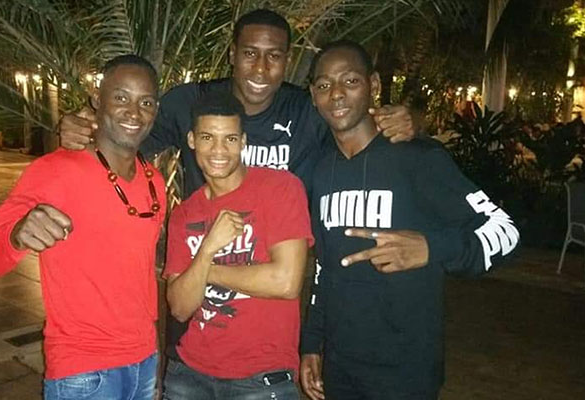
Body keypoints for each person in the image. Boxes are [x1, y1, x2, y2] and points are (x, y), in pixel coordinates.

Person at [58, 7, 416, 367]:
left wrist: (411, 120)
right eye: (249, 54)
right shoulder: (191, 103)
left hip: (274, 294)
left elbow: (358, 123)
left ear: (288, 60)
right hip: (201, 297)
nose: (260, 69)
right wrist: (78, 127)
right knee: (189, 369)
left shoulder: (307, 111)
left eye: (274, 56)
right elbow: (124, 135)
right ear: (232, 54)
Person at [299, 40, 520, 400]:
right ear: (313, 95)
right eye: (324, 85)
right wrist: (312, 343)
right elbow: (325, 267)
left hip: (407, 371)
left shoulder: (419, 159)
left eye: (350, 81)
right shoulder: (322, 170)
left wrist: (431, 248)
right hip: (341, 368)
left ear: (374, 86)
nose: (336, 94)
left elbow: (506, 233)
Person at [0, 54, 166, 400]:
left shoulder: (154, 181)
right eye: (120, 98)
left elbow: (142, 279)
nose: (134, 112)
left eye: (145, 102)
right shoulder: (55, 171)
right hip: (84, 372)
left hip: (144, 362)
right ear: (95, 101)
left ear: (156, 110)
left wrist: (155, 361)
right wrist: (15, 235)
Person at [161, 93, 313, 399]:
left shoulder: (281, 188)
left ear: (243, 141)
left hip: (260, 378)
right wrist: (207, 249)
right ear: (192, 140)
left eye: (230, 139)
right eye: (208, 137)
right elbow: (179, 307)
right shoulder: (184, 214)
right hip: (188, 375)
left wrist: (207, 270)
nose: (219, 150)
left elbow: (285, 282)